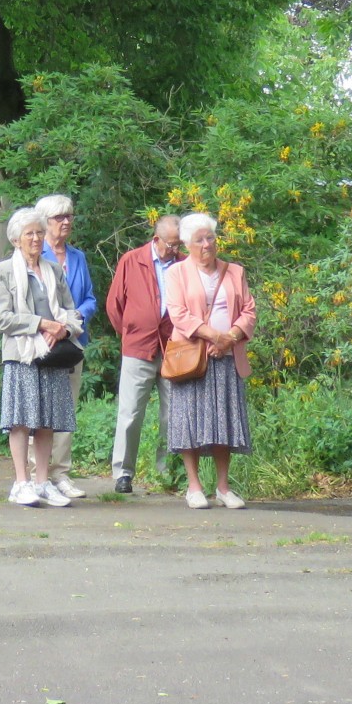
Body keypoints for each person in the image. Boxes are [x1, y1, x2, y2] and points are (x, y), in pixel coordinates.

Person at [160, 213, 257, 510]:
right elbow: (177, 313)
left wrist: (229, 337)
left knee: (223, 422)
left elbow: (249, 311)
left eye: (210, 238)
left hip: (227, 358)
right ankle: (193, 486)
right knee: (189, 420)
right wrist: (213, 336)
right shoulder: (176, 273)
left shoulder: (234, 272)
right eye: (199, 240)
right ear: (187, 244)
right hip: (191, 358)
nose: (206, 245)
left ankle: (224, 487)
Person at [0, 207, 83, 508]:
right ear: (16, 239)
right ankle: (21, 482)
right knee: (20, 421)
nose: (36, 238)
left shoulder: (54, 270)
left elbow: (71, 310)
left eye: (40, 232)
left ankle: (43, 482)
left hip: (53, 355)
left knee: (47, 422)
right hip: (22, 356)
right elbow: (3, 319)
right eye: (29, 233)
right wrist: (42, 324)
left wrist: (63, 330)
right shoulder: (1, 272)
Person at [104, 214, 183, 493]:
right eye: (171, 245)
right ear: (156, 239)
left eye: (178, 245)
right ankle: (123, 473)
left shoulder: (184, 264)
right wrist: (131, 331)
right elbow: (114, 305)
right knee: (130, 412)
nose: (175, 250)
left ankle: (168, 472)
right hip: (138, 347)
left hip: (175, 349)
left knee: (173, 412)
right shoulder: (132, 260)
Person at [32, 194, 98, 499]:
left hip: (72, 342)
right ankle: (37, 474)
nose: (66, 222)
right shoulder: (33, 254)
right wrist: (51, 327)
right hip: (43, 342)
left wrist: (77, 318)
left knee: (66, 410)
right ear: (45, 223)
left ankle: (61, 474)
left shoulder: (78, 257)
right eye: (59, 217)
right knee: (41, 409)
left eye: (69, 216)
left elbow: (90, 299)